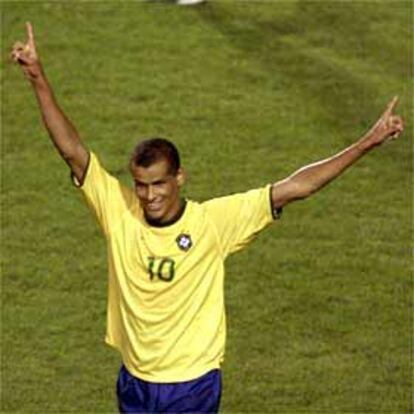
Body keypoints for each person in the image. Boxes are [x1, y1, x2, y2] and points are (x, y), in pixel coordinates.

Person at [11, 22, 404, 414]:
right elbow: (73, 151)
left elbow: (294, 187)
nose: (149, 196)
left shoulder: (213, 223)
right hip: (135, 379)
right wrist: (38, 78)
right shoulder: (118, 210)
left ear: (179, 178)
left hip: (192, 383)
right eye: (141, 185)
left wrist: (367, 142)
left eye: (159, 184)